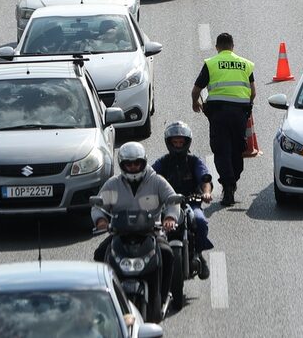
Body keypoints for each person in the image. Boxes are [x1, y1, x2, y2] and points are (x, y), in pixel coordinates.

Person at [92, 142, 183, 309]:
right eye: (129, 164)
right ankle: (106, 299)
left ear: (144, 162)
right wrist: (101, 220)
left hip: (152, 234)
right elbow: (98, 206)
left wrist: (170, 218)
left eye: (137, 163)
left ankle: (163, 296)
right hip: (120, 235)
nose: (133, 167)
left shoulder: (156, 181)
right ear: (122, 165)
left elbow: (172, 200)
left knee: (167, 254)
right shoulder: (112, 184)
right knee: (100, 254)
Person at [191, 32, 255, 207]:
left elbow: (196, 89)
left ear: (217, 47)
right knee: (237, 149)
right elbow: (253, 92)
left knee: (221, 150)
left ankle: (228, 185)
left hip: (218, 114)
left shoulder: (211, 63)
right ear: (233, 46)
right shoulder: (245, 64)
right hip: (239, 113)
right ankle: (232, 181)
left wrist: (195, 102)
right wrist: (247, 108)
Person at [151, 121, 214, 277]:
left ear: (187, 143)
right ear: (169, 143)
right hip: (167, 205)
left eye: (181, 142)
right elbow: (149, 178)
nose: (178, 145)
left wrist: (206, 193)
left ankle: (199, 254)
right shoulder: (162, 162)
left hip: (190, 203)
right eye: (175, 142)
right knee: (152, 226)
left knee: (200, 221)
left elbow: (205, 179)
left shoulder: (194, 161)